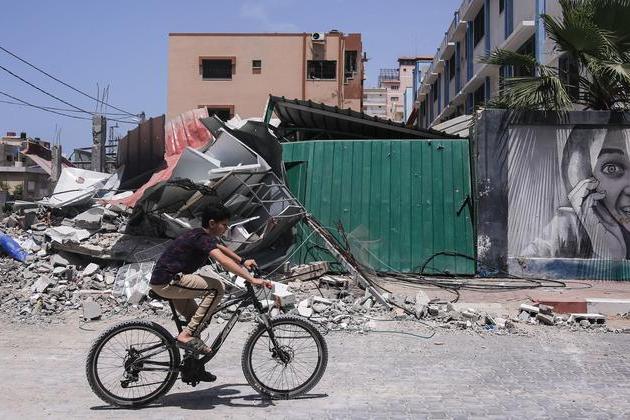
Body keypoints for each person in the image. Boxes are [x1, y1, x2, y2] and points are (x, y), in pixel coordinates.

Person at [149, 203, 272, 358]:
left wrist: (242, 261)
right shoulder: (201, 238)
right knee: (216, 288)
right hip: (169, 281)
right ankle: (185, 336)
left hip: (165, 280)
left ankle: (191, 364)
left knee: (197, 319)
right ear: (212, 223)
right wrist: (251, 279)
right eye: (224, 225)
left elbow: (220, 247)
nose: (227, 228)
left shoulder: (200, 235)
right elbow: (223, 260)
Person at [522, 127, 630, 258]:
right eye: (611, 169)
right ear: (588, 186)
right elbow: (521, 265)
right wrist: (607, 250)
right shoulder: (567, 230)